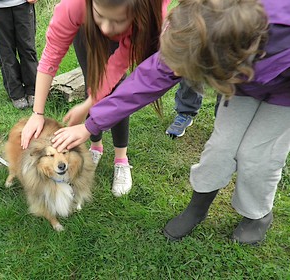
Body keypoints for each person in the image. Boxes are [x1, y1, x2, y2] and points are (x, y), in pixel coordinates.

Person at [52, 0, 290, 245]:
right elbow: (149, 79)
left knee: (260, 156)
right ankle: (198, 206)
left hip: (285, 92)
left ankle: (256, 214)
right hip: (240, 84)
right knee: (221, 147)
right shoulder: (194, 30)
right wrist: (91, 125)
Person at [20, 0, 171, 197]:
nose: (107, 28)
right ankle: (95, 147)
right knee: (91, 80)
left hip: (132, 25)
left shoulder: (151, 12)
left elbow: (120, 68)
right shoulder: (73, 6)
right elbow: (51, 57)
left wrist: (89, 112)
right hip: (86, 24)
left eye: (116, 21)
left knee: (117, 89)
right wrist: (37, 113)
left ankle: (121, 160)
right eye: (101, 15)